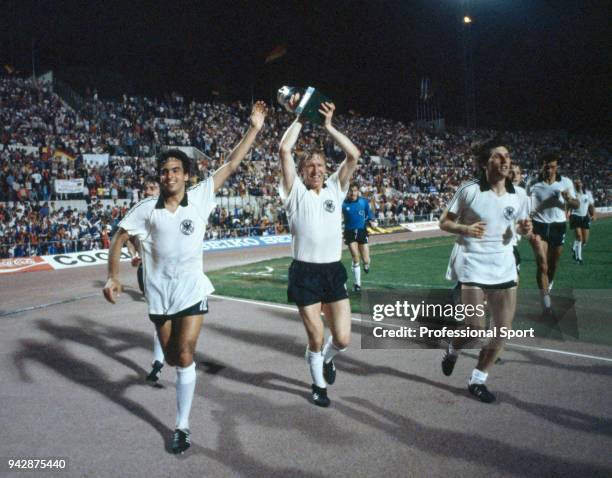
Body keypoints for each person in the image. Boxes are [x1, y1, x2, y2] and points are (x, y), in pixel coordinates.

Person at [103, 101, 267, 453]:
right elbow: (117, 237)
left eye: (176, 170)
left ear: (186, 175)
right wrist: (113, 277)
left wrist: (253, 128)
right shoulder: (146, 209)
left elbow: (232, 163)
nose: (170, 176)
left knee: (186, 352)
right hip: (159, 295)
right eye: (164, 171)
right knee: (175, 358)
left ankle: (182, 426)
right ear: (159, 177)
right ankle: (181, 375)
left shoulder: (201, 196)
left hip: (192, 290)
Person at [278, 94, 360, 407]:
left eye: (320, 164)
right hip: (304, 274)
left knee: (342, 339)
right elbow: (284, 148)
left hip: (331, 270)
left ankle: (327, 358)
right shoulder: (294, 191)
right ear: (301, 170)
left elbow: (353, 155)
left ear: (326, 170)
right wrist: (301, 115)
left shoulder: (336, 189)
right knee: (314, 336)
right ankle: (318, 386)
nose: (315, 168)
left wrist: (328, 125)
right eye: (309, 165)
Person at [440, 139, 532, 403]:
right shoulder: (469, 190)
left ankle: (478, 378)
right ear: (485, 163)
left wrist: (525, 230)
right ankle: (452, 349)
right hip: (473, 265)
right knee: (474, 328)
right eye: (498, 156)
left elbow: (522, 226)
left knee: (502, 329)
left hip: (504, 266)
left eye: (507, 155)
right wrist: (466, 229)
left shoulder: (520, 194)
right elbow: (444, 221)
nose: (505, 160)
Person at [125, 176, 166, 382]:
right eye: (146, 189)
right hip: (148, 272)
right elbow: (127, 240)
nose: (148, 191)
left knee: (172, 318)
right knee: (159, 317)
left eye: (152, 188)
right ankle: (158, 361)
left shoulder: (171, 209)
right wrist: (133, 254)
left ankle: (167, 356)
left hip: (172, 272)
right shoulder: (138, 214)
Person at [527, 152, 579, 315]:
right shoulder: (533, 182)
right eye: (546, 166)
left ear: (557, 167)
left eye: (552, 166)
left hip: (558, 226)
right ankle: (546, 305)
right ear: (541, 166)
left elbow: (576, 204)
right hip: (539, 227)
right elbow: (525, 202)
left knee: (553, 265)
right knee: (542, 264)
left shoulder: (565, 182)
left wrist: (568, 199)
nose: (549, 169)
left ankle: (547, 287)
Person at [342, 183, 375, 292]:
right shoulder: (343, 204)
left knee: (366, 260)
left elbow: (369, 214)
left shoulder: (363, 202)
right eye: (351, 191)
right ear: (348, 192)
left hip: (362, 231)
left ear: (357, 192)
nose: (353, 193)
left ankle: (365, 265)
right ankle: (357, 284)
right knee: (356, 257)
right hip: (349, 232)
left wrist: (372, 220)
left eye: (355, 190)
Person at [569, 179, 595, 265]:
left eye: (579, 182)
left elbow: (591, 205)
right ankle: (578, 259)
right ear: (574, 184)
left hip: (585, 218)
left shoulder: (587, 193)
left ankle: (574, 248)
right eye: (576, 183)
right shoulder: (572, 194)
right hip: (575, 217)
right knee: (579, 237)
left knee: (585, 240)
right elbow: (568, 204)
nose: (578, 184)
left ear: (582, 184)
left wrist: (593, 214)